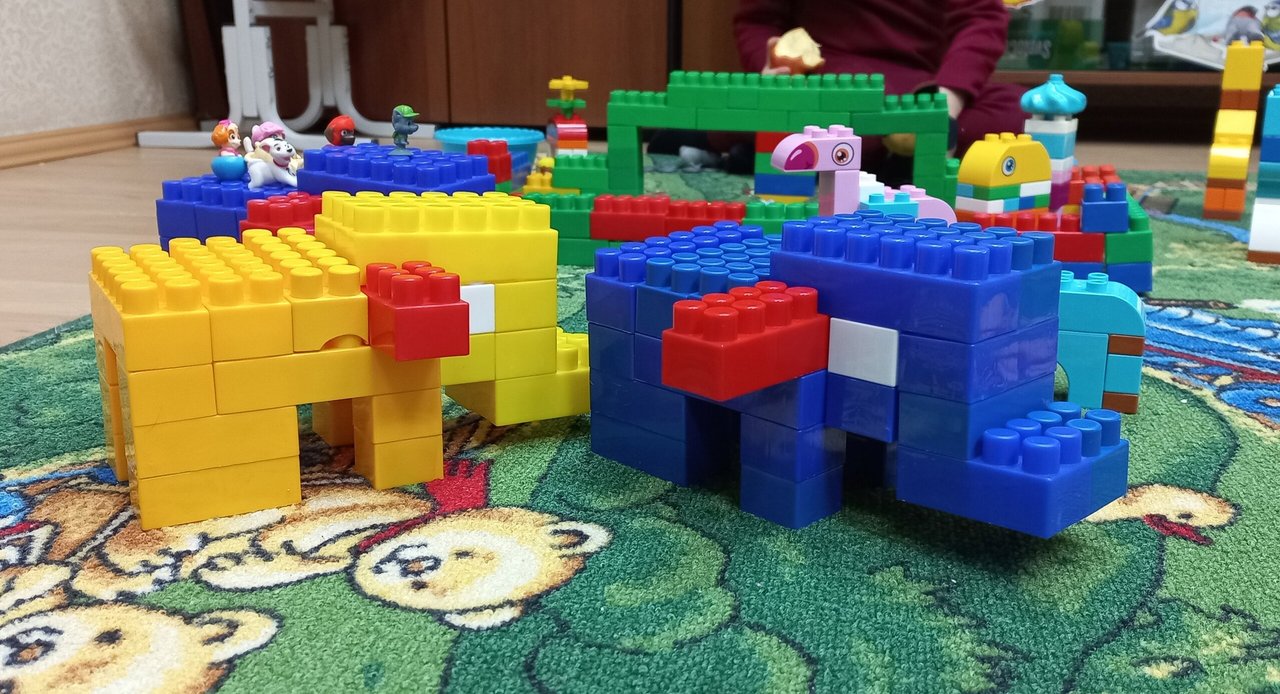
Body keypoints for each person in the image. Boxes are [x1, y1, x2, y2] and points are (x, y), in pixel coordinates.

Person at [734, 0, 1025, 164]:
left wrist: (944, 108)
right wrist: (771, 70)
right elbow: (759, 19)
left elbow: (981, 19)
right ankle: (888, 154)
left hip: (923, 87)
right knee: (841, 114)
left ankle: (885, 154)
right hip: (833, 80)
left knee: (1021, 112)